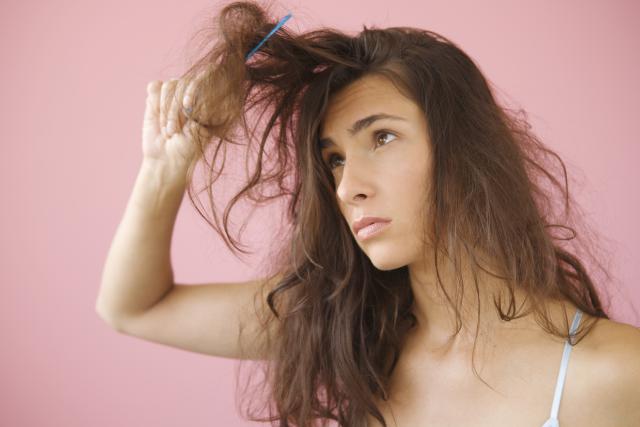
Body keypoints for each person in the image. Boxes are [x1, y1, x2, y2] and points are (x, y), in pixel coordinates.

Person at [96, 1, 640, 426]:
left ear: (466, 150)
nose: (348, 187)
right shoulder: (348, 328)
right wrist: (164, 168)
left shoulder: (615, 373)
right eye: (333, 160)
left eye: (382, 137)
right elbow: (134, 308)